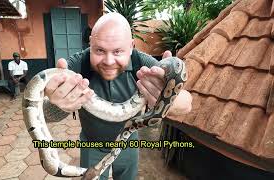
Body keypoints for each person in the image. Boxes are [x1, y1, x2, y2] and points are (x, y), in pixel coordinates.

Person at [45, 13, 192, 179]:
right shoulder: (77, 65)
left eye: (117, 51)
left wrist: (169, 98)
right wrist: (57, 104)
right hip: (91, 144)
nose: (108, 61)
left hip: (129, 144)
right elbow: (46, 114)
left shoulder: (143, 64)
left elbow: (188, 104)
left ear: (131, 47)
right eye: (100, 50)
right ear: (90, 43)